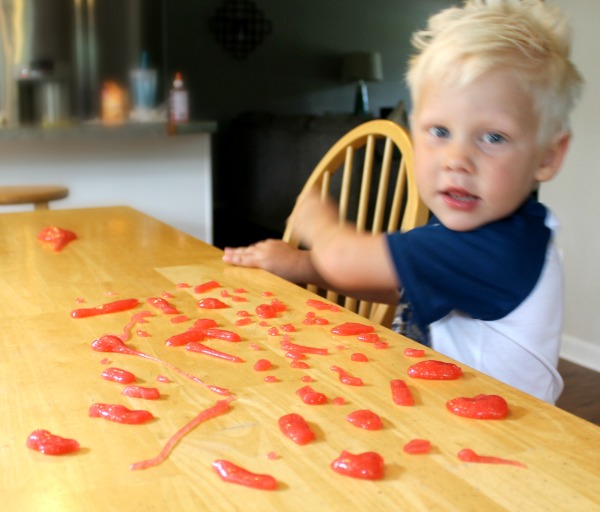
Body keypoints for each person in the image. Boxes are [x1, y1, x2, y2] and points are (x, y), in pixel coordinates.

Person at [222, 0, 583, 403]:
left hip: (503, 445)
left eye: (493, 137)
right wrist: (301, 264)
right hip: (454, 414)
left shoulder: (500, 249)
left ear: (547, 156)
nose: (457, 160)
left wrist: (317, 219)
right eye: (440, 131)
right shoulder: (495, 230)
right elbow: (407, 286)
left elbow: (345, 258)